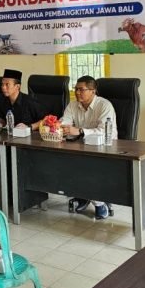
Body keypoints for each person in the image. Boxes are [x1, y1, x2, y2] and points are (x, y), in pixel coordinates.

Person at [56, 75, 117, 220]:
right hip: (81, 146)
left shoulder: (105, 105)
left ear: (93, 91)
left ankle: (99, 203)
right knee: (64, 161)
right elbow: (65, 122)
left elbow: (104, 131)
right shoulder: (72, 105)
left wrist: (80, 131)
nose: (77, 93)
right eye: (76, 89)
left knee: (88, 165)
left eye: (81, 90)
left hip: (105, 147)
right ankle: (83, 195)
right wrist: (61, 126)